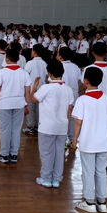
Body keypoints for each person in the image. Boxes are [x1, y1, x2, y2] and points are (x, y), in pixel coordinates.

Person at [72, 67, 107, 213]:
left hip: (88, 142)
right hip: (104, 142)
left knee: (88, 171)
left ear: (85, 81)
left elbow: (78, 122)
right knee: (101, 171)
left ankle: (89, 201)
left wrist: (74, 140)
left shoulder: (82, 100)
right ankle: (102, 202)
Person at [32, 60, 74, 188]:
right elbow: (70, 109)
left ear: (49, 73)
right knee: (59, 153)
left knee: (46, 153)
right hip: (62, 126)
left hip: (46, 127)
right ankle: (56, 179)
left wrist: (34, 87)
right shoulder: (68, 89)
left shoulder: (46, 88)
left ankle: (46, 178)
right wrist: (67, 126)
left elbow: (33, 99)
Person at [0, 48, 32, 164]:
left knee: (4, 129)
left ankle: (4, 154)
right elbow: (27, 91)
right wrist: (27, 105)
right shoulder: (24, 73)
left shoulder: (1, 72)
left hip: (4, 104)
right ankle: (14, 154)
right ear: (19, 59)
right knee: (16, 129)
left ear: (6, 59)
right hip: (19, 103)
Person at [23, 45, 48, 135]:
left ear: (35, 52)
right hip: (42, 89)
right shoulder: (44, 63)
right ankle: (37, 126)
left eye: (32, 50)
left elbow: (25, 75)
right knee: (38, 109)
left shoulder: (30, 63)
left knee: (30, 107)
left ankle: (30, 126)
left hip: (32, 89)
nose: (31, 52)